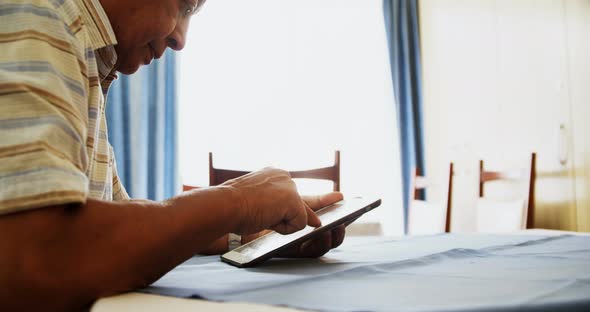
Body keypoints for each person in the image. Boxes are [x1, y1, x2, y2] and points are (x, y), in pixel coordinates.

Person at [0, 0, 346, 310]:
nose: (181, 39)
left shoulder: (82, 55)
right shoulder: (39, 16)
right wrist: (238, 201)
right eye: (186, 4)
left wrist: (253, 235)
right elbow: (38, 259)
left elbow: (112, 226)